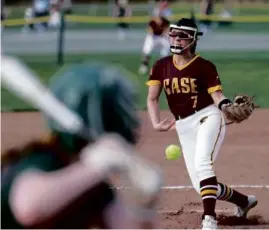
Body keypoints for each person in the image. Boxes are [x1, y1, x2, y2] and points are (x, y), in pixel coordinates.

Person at [1, 62, 163, 229]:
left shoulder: (93, 186)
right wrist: (95, 167)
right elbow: (29, 209)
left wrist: (145, 205)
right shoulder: (42, 160)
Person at [146, 18, 258, 229]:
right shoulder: (161, 66)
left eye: (182, 36)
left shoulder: (204, 66)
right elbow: (152, 98)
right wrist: (155, 122)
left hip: (208, 117)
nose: (176, 40)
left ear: (192, 40)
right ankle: (244, 202)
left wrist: (226, 106)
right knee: (202, 186)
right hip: (183, 126)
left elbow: (217, 95)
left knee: (202, 164)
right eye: (173, 35)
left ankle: (209, 220)